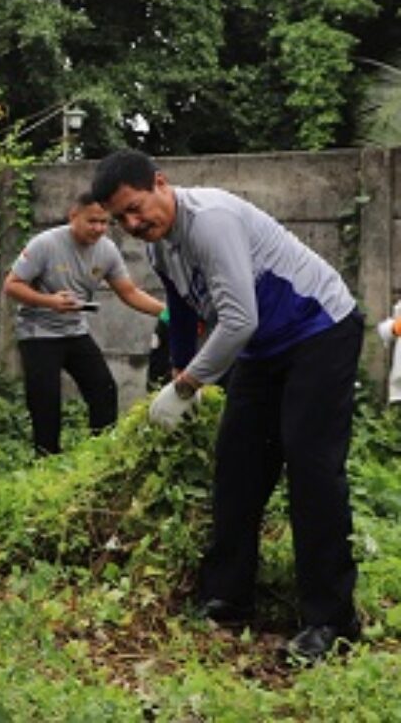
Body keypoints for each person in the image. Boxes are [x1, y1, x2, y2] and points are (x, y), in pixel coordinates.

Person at [92, 149, 364, 663]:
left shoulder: (210, 221)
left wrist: (189, 386)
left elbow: (238, 320)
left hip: (319, 329)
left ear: (160, 183)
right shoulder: (158, 247)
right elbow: (179, 304)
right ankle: (229, 597)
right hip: (264, 349)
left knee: (311, 468)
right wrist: (178, 366)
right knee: (237, 465)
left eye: (136, 207)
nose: (133, 223)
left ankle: (331, 619)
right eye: (121, 218)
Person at [2, 191, 164, 454]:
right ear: (73, 216)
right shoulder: (45, 244)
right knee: (46, 402)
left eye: (104, 222)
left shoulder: (107, 250)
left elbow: (129, 292)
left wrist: (166, 312)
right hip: (38, 333)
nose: (99, 228)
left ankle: (100, 454)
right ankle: (46, 462)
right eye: (92, 221)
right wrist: (49, 301)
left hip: (75, 330)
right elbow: (11, 286)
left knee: (104, 389)